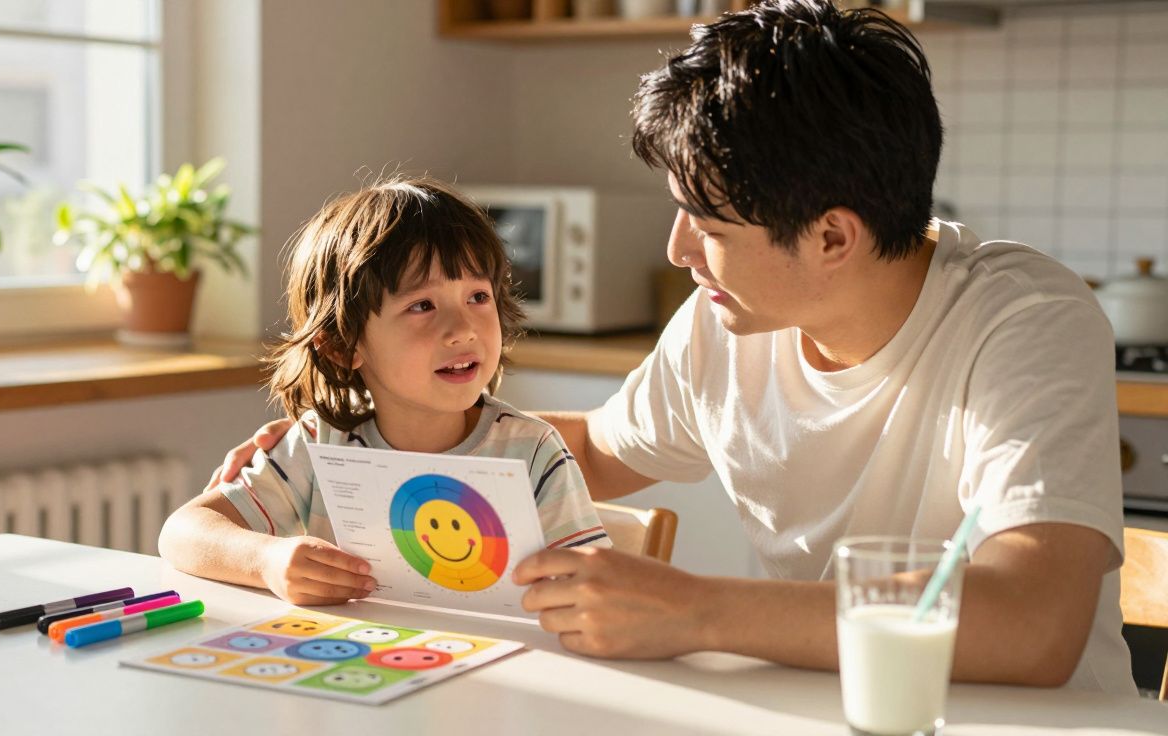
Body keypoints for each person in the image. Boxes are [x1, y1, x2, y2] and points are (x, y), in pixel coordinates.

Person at [208, 1, 1133, 693]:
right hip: (809, 706)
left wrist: (696, 607)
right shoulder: (729, 318)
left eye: (709, 222)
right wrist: (365, 445)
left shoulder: (1025, 320)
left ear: (834, 237)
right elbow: (603, 451)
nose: (677, 251)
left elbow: (1034, 624)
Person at [160, 176, 609, 606]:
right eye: (422, 305)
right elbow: (183, 532)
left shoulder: (532, 452)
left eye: (478, 297)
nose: (463, 329)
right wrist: (268, 561)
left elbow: (595, 586)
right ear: (342, 345)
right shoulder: (321, 441)